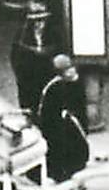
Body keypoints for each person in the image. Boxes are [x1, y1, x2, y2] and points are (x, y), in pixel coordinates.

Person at [37, 54, 89, 182]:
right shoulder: (54, 87)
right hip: (60, 129)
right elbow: (48, 114)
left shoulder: (75, 83)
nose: (71, 72)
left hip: (72, 125)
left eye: (71, 68)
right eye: (67, 70)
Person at [10, 2, 56, 114]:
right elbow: (15, 57)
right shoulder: (22, 34)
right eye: (35, 21)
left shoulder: (53, 33)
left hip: (47, 77)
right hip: (29, 79)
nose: (39, 24)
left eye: (42, 20)